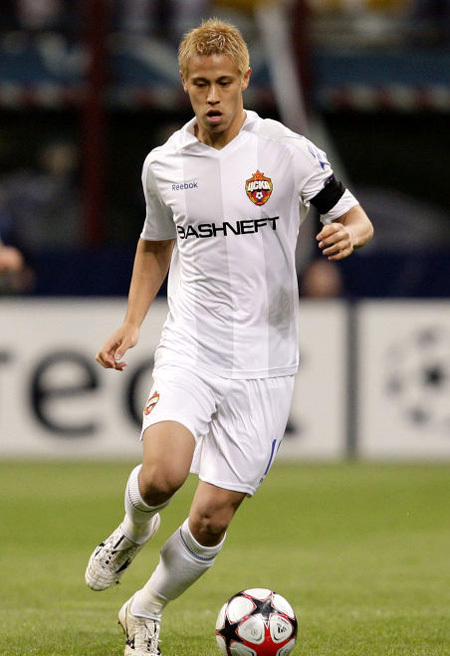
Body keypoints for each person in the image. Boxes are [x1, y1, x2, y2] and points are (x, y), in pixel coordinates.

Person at [85, 18, 374, 656]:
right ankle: (133, 529)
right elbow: (155, 244)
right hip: (192, 346)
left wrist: (349, 234)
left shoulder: (287, 151)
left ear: (245, 78)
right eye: (199, 84)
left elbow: (356, 217)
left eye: (223, 82)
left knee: (212, 517)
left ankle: (145, 609)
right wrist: (132, 322)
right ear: (183, 84)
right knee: (162, 477)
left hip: (266, 361)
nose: (212, 96)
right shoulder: (164, 164)